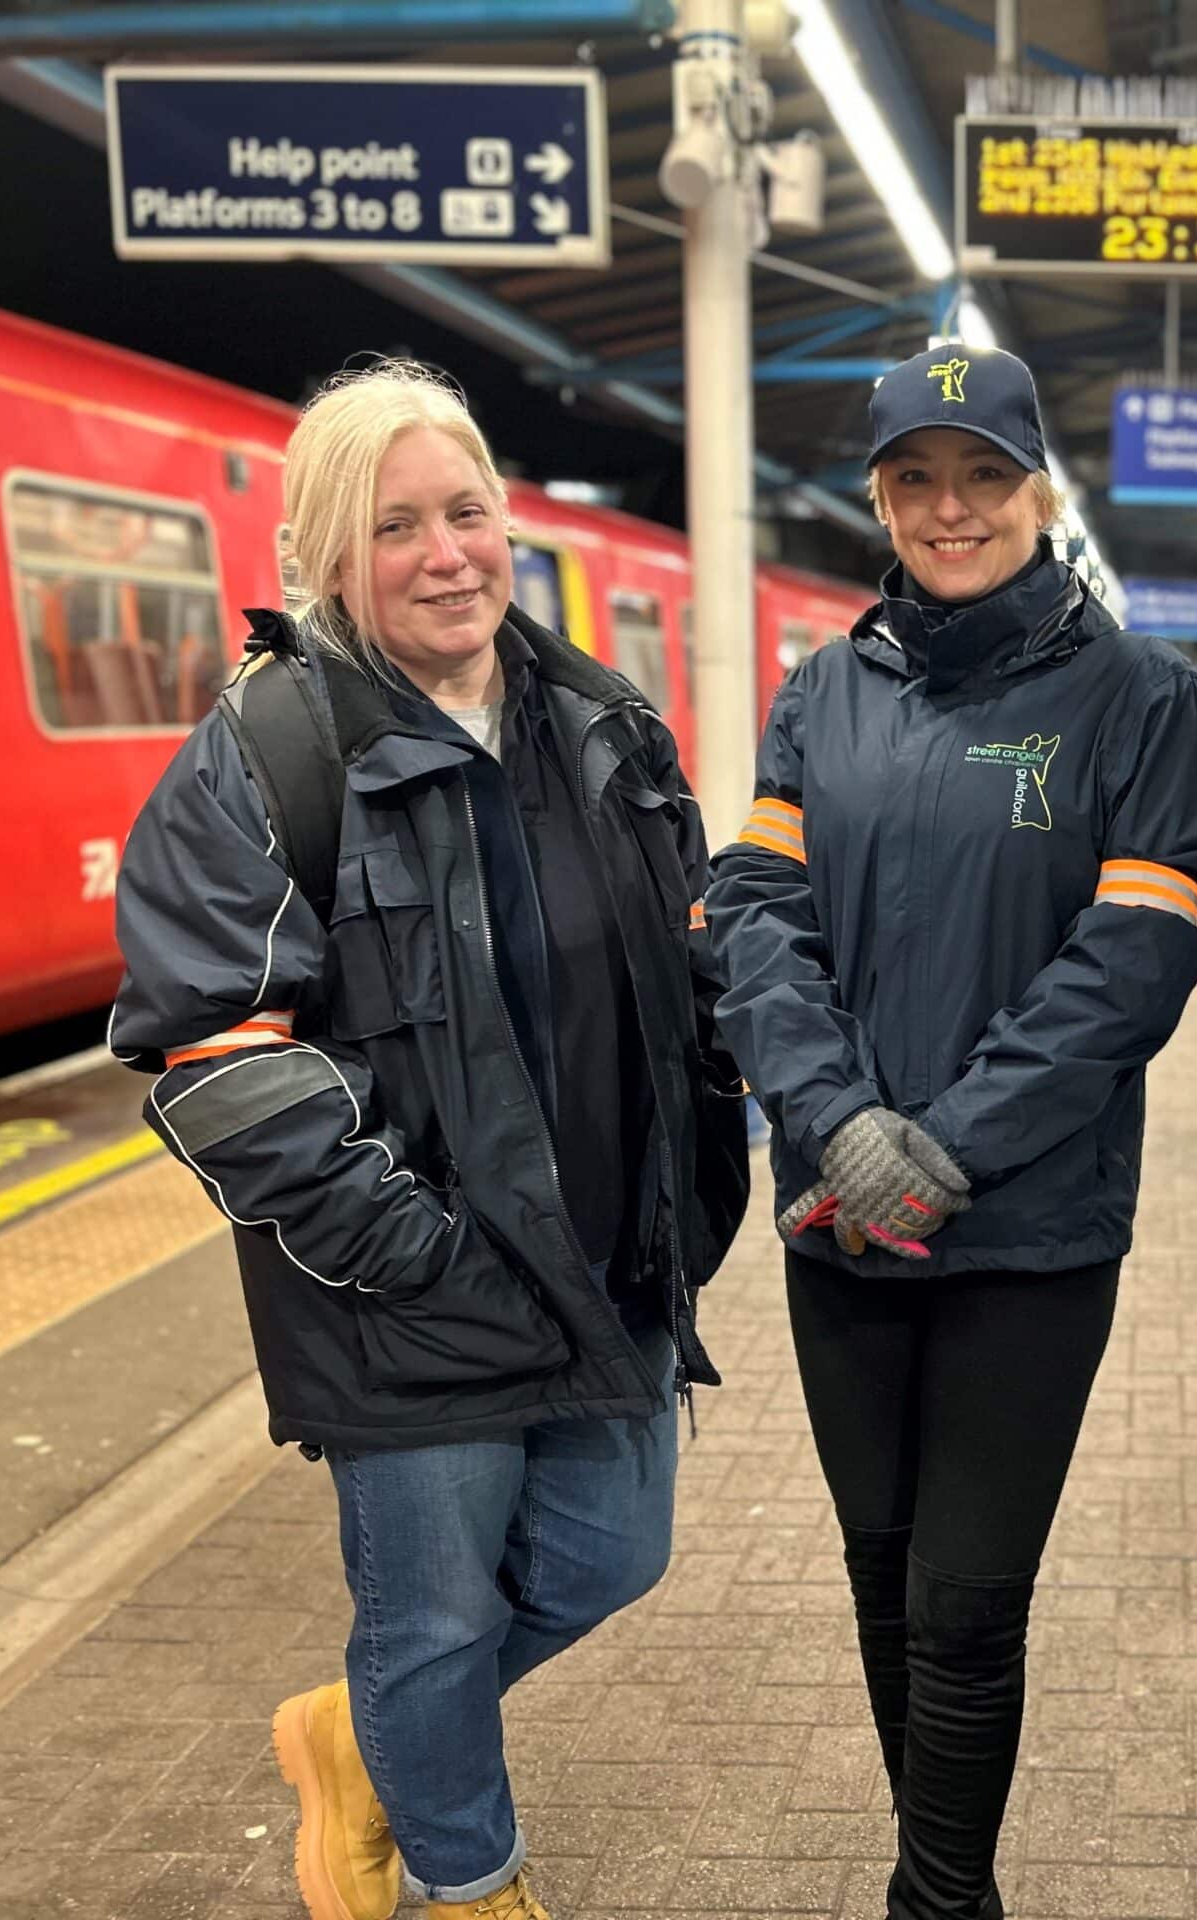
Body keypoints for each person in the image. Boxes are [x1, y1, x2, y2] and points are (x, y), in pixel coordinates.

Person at [111, 361, 749, 1920]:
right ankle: (473, 1881)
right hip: (413, 1298)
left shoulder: (605, 727)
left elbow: (688, 963)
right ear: (330, 556)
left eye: (469, 510)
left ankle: (358, 1738)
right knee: (437, 1624)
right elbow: (211, 1053)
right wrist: (418, 1251)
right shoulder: (265, 759)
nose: (447, 552)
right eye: (398, 526)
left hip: (606, 1267)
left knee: (612, 1557)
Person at [705, 344, 1197, 1919]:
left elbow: (1132, 962)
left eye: (984, 476)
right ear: (878, 496)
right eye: (917, 479)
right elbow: (756, 919)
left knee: (967, 1600)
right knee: (882, 1581)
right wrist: (840, 1123)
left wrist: (947, 1146)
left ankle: (936, 1901)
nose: (952, 509)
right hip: (842, 1225)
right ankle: (944, 1891)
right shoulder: (824, 690)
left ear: (1037, 488)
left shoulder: (1139, 699)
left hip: (1024, 1235)